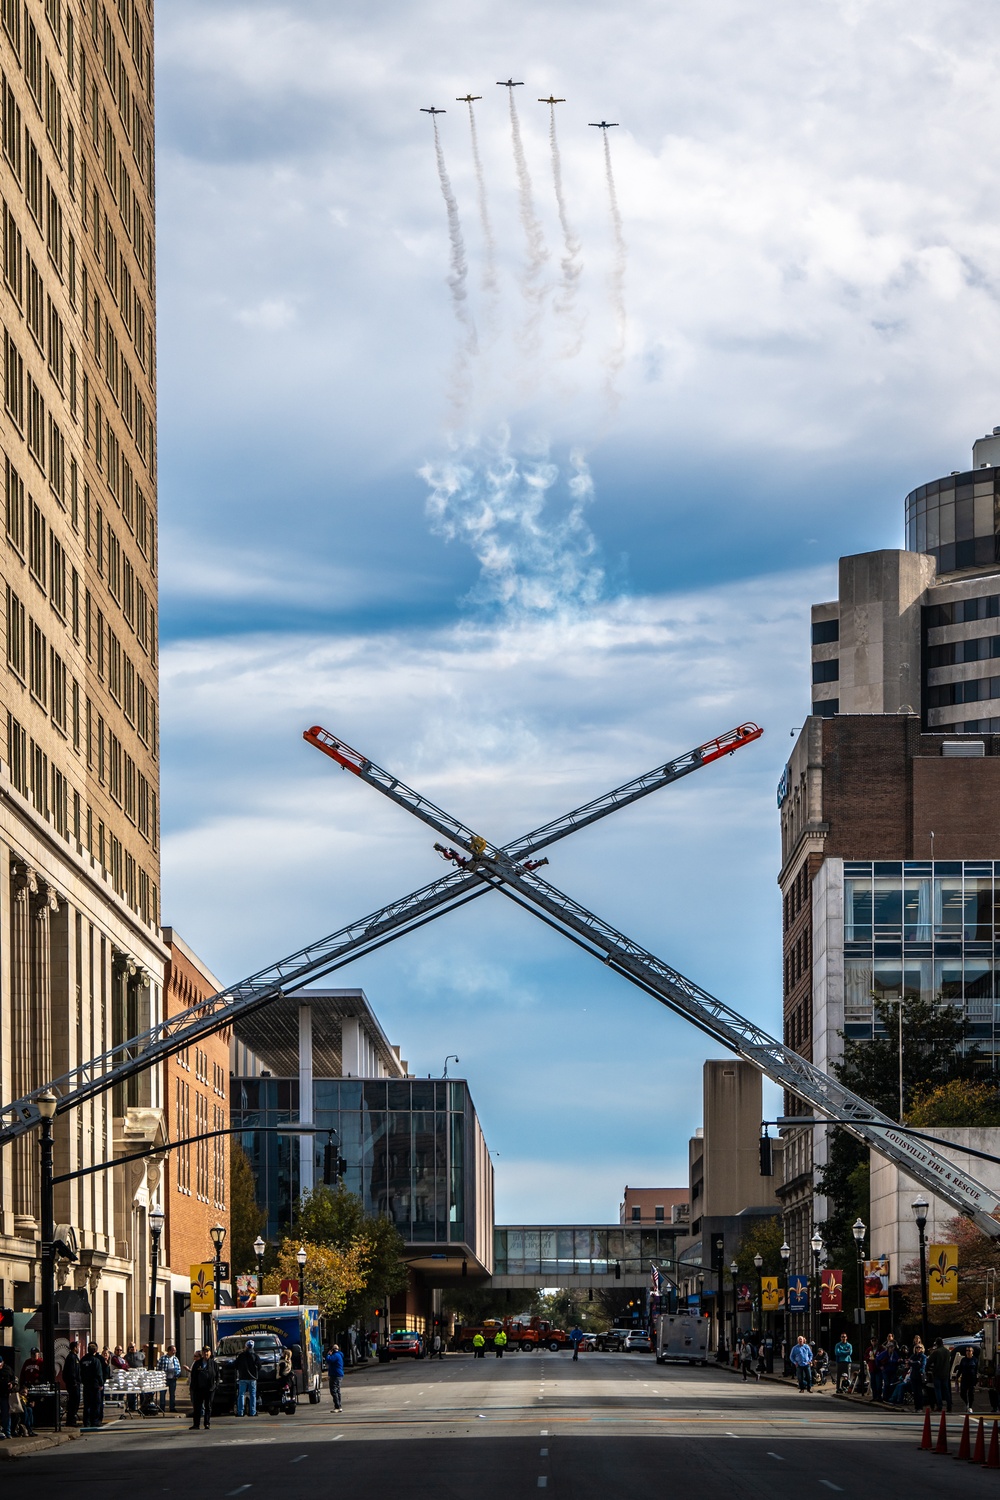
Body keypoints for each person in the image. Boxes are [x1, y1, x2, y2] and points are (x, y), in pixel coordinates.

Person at [80, 1342, 109, 1429]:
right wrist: (101, 1383)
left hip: (86, 1385)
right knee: (95, 1404)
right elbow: (99, 1374)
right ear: (95, 1350)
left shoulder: (83, 1360)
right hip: (95, 1385)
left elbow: (80, 1372)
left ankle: (86, 1421)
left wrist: (83, 1381)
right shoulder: (96, 1361)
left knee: (87, 1404)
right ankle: (94, 1421)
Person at [188, 1346, 218, 1431]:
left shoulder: (213, 1364)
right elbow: (193, 1376)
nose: (206, 1353)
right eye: (204, 1352)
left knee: (208, 1407)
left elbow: (217, 1376)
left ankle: (207, 1423)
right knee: (197, 1407)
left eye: (207, 1352)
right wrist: (193, 1387)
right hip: (199, 1389)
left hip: (210, 1389)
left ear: (210, 1353)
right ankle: (196, 1424)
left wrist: (216, 1386)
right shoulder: (197, 1364)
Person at [235, 1339, 261, 1417]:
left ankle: (240, 1412)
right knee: (253, 1394)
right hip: (253, 1378)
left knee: (241, 1394)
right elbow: (259, 1366)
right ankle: (252, 1412)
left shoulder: (241, 1355)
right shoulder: (255, 1356)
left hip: (243, 1377)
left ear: (246, 1346)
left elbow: (236, 1365)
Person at [158, 1345, 182, 1414]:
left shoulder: (175, 1359)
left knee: (172, 1394)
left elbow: (179, 1368)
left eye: (175, 1350)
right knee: (162, 1394)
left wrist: (177, 1374)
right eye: (173, 1350)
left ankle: (172, 1407)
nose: (174, 1352)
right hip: (164, 1379)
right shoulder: (163, 1358)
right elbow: (158, 1367)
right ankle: (162, 1407)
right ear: (169, 1351)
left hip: (173, 1379)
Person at [63, 1338, 82, 1426]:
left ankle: (72, 1420)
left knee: (75, 1402)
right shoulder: (71, 1358)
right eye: (78, 1347)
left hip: (75, 1384)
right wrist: (74, 1382)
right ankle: (70, 1421)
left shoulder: (74, 1357)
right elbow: (71, 1371)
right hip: (73, 1384)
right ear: (74, 1348)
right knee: (73, 1403)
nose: (79, 1349)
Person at [958, 1346, 979, 1414]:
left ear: (972, 1352)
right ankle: (966, 1402)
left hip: (972, 1379)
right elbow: (960, 1369)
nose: (968, 1352)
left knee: (971, 1393)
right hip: (964, 1378)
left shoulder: (975, 1360)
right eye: (967, 1350)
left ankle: (970, 1406)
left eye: (969, 1350)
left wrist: (977, 1379)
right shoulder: (963, 1360)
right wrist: (957, 1377)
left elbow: (977, 1370)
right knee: (962, 1393)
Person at [0, 1354, 14, 1440]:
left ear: (3, 1362)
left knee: (6, 1414)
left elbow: (14, 1379)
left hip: (5, 1395)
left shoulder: (7, 1369)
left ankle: (7, 1432)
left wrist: (11, 1384)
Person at [326, 1344, 344, 1412]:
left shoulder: (335, 1355)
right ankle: (339, 1406)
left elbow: (329, 1360)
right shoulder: (339, 1355)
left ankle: (337, 1406)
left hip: (335, 1375)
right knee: (337, 1390)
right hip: (338, 1374)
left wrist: (328, 1354)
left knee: (334, 1390)